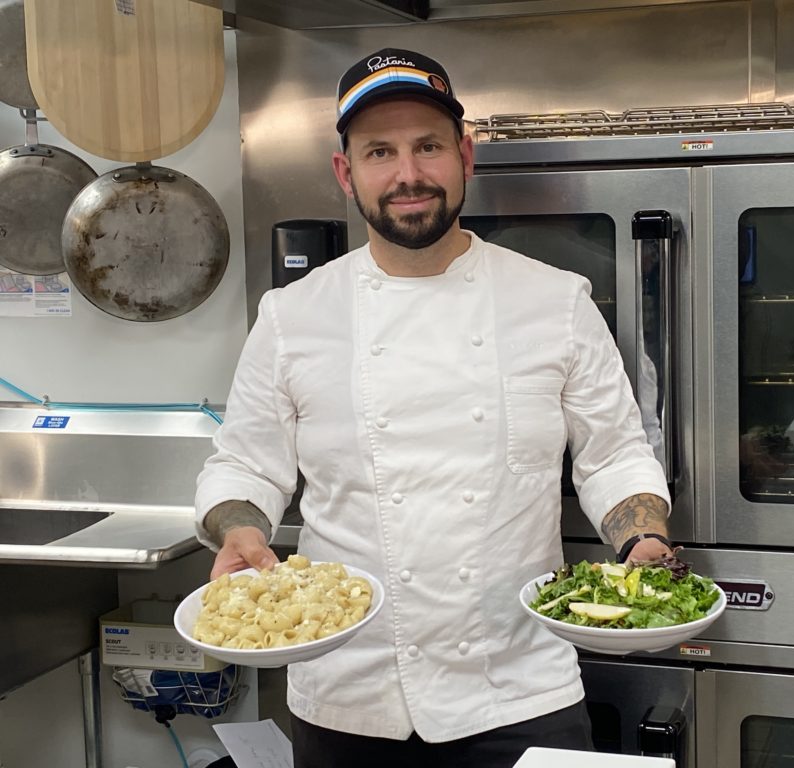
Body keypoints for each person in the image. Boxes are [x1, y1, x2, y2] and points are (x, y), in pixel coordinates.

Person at [194, 47, 673, 768]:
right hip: (347, 690)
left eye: (427, 146)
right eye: (379, 151)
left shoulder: (556, 301)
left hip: (518, 689)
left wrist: (643, 545)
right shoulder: (293, 315)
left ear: (465, 154)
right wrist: (237, 529)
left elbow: (615, 453)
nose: (407, 174)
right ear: (344, 171)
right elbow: (244, 464)